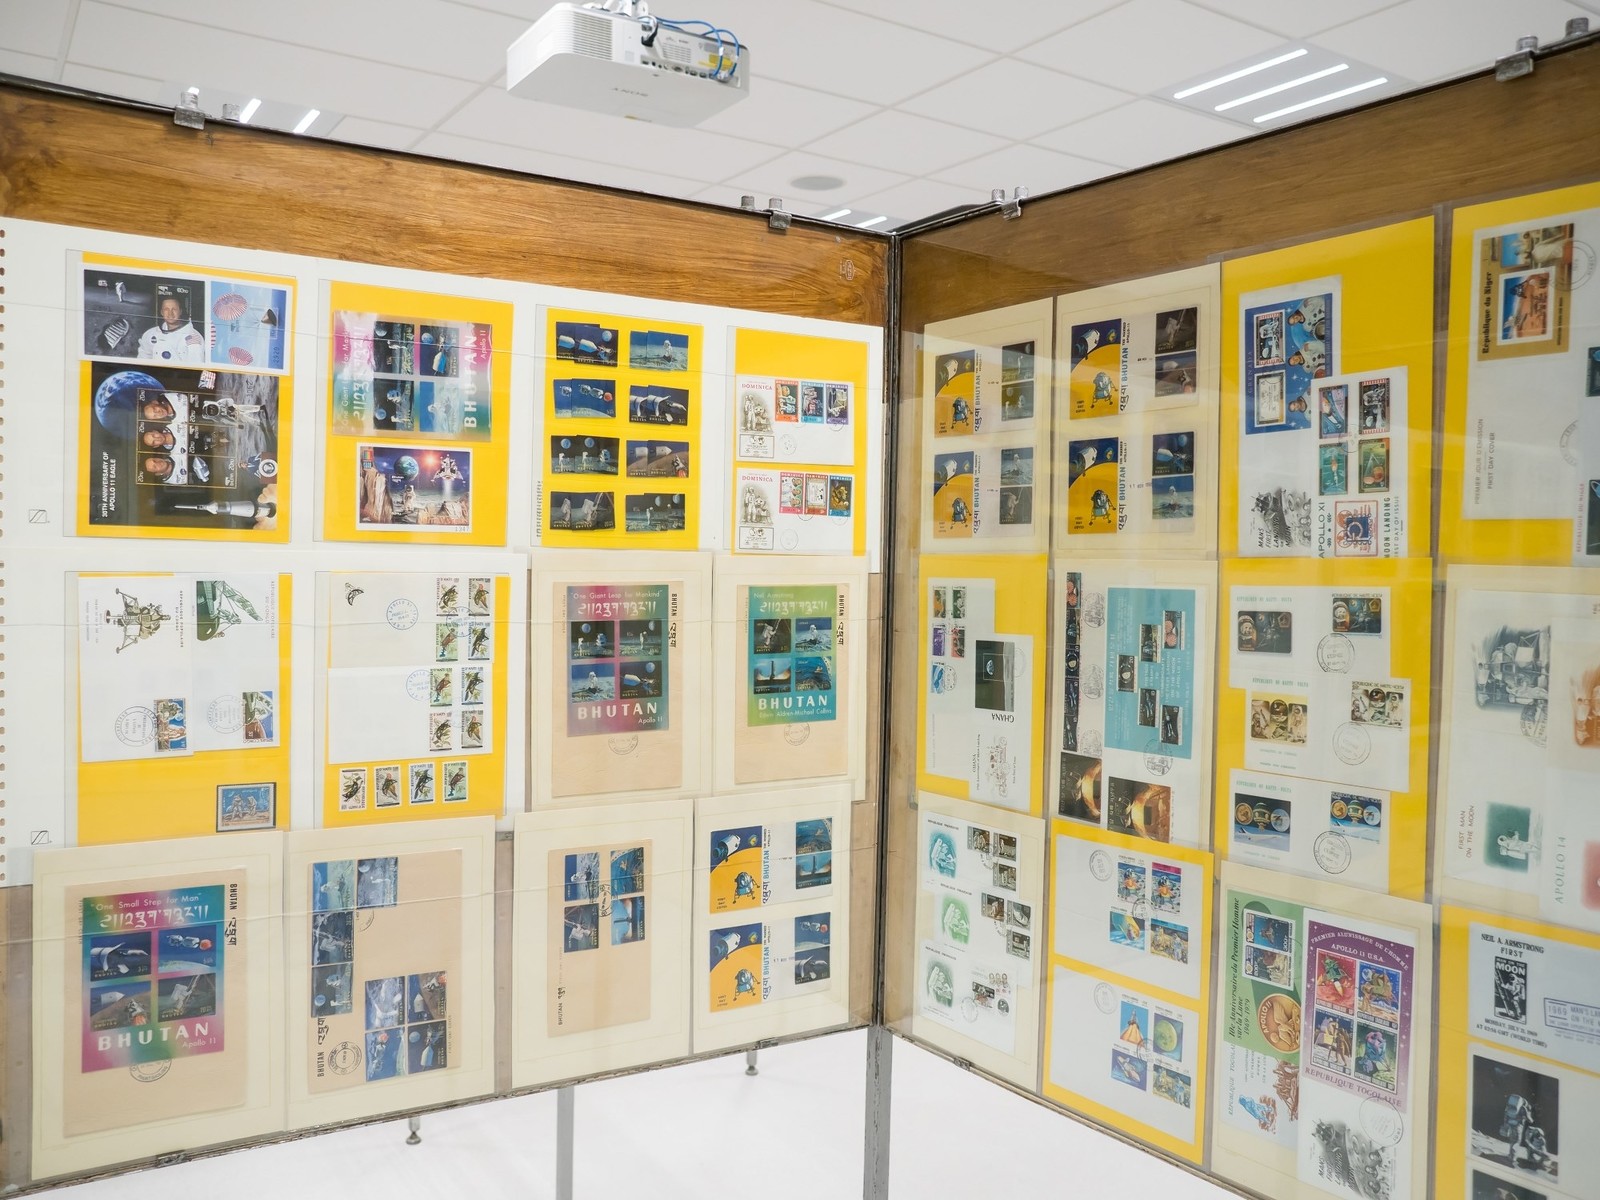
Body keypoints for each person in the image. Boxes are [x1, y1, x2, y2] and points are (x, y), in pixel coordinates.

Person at [137, 296, 205, 363]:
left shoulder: (193, 337)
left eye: (174, 309)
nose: (170, 314)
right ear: (161, 312)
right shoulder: (151, 334)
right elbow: (143, 359)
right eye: (166, 309)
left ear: (180, 311)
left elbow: (195, 366)